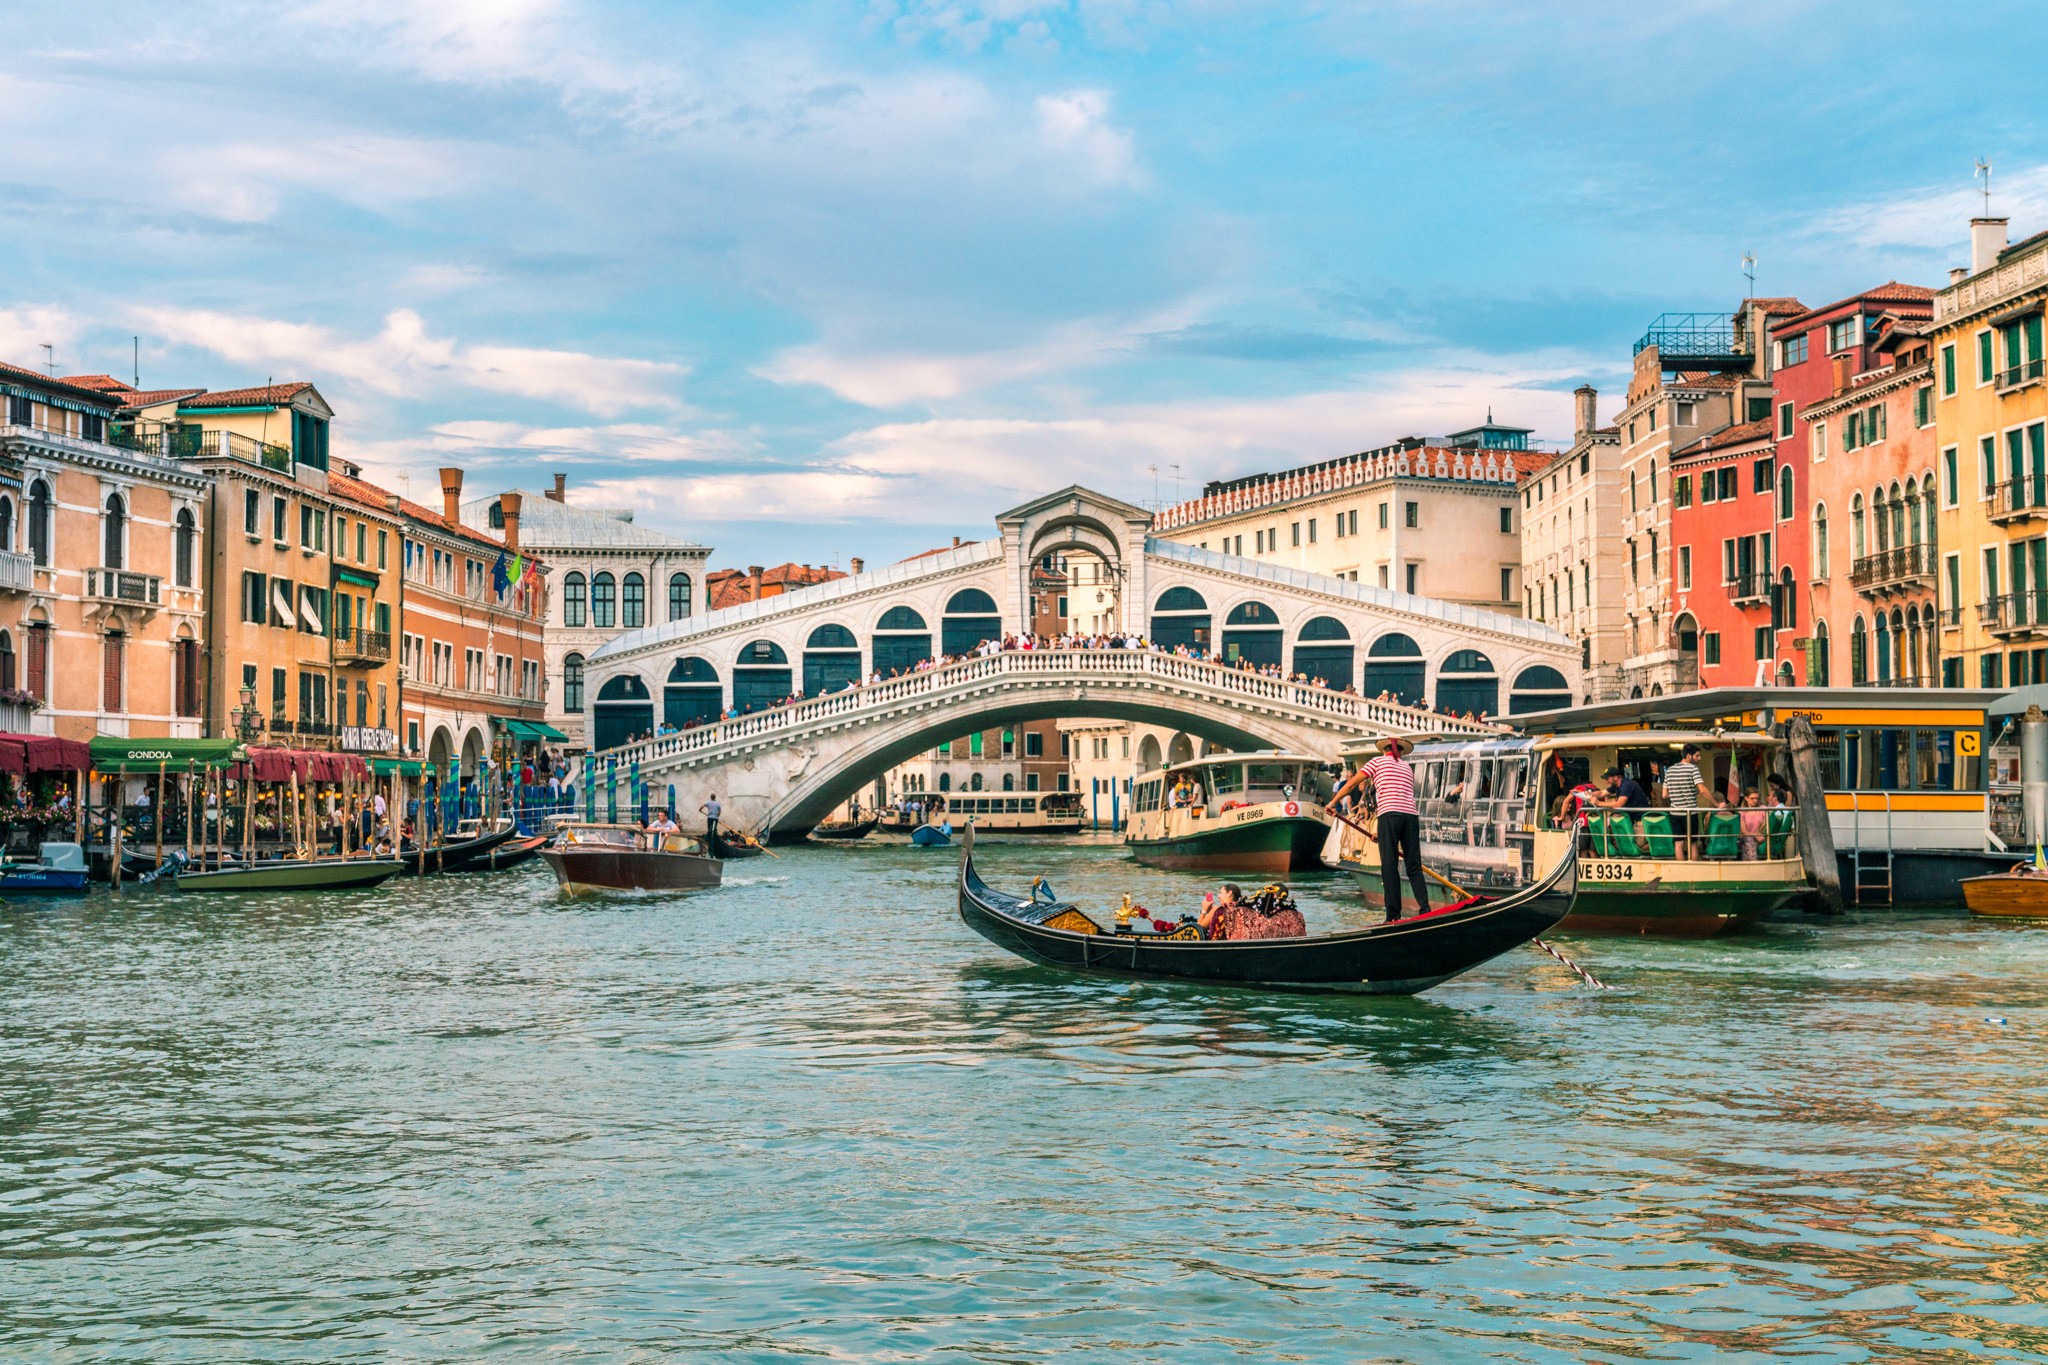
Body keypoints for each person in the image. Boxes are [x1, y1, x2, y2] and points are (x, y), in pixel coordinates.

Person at [1362, 734, 1430, 921]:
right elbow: (1399, 796)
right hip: (1410, 817)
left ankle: (1393, 914)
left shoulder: (1376, 762)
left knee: (1390, 866)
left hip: (1389, 817)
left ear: (1384, 750)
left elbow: (1354, 782)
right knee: (1414, 865)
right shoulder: (1407, 767)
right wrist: (1380, 833)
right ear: (1400, 751)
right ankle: (1425, 908)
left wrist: (1333, 803)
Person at [1664, 744, 1705, 856]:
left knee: (1678, 844)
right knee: (1693, 844)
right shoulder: (1693, 768)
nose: (1699, 758)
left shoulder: (1670, 770)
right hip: (1690, 813)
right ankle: (1694, 871)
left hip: (1675, 813)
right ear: (1688, 756)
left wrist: (1677, 794)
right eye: (1697, 756)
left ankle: (1681, 871)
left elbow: (1664, 795)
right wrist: (1717, 804)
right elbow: (1702, 790)